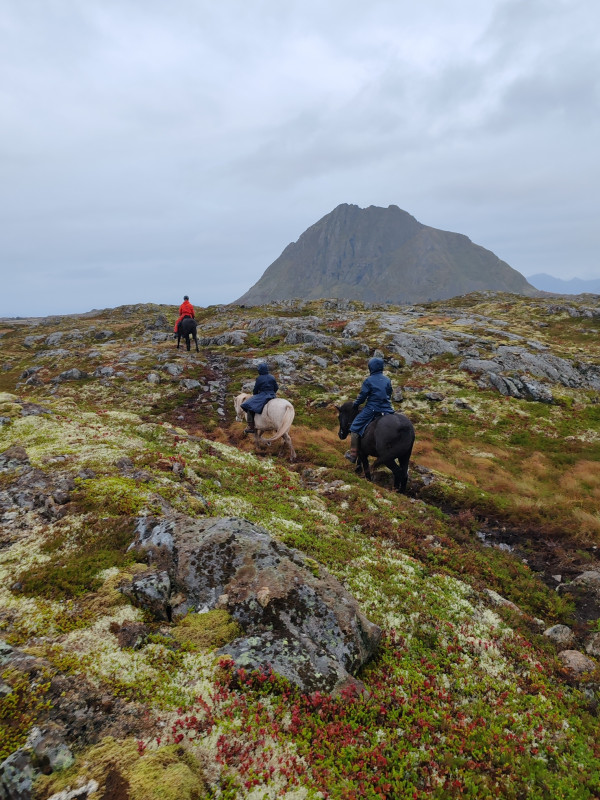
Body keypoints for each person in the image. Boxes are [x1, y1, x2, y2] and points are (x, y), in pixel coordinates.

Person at [345, 357, 394, 463]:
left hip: (372, 409)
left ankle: (353, 454)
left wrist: (356, 404)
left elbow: (363, 396)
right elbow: (389, 393)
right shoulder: (387, 380)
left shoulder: (368, 380)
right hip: (387, 410)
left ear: (370, 367)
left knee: (354, 427)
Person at [241, 363, 278, 434]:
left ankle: (250, 427)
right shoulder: (272, 377)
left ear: (260, 370)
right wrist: (272, 393)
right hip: (272, 395)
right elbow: (276, 388)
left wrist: (255, 396)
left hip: (263, 395)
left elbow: (255, 389)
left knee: (247, 405)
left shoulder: (259, 378)